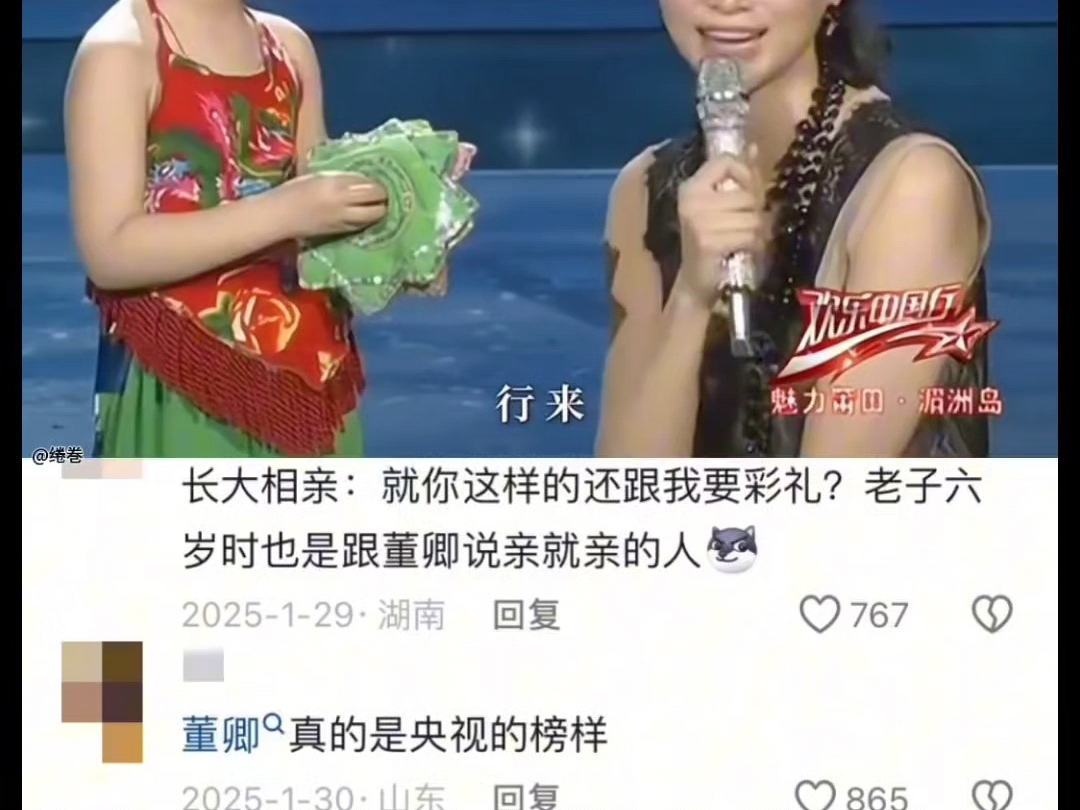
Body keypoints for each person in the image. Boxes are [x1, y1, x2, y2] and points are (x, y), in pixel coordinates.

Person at [595, 0, 992, 457]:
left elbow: (830, 492)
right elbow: (629, 484)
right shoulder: (645, 189)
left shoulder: (912, 186)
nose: (727, 4)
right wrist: (690, 297)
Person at [66, 0, 387, 457]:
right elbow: (110, 251)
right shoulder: (121, 52)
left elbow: (322, 216)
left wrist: (401, 240)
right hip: (186, 380)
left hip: (311, 379)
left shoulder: (288, 47)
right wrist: (285, 212)